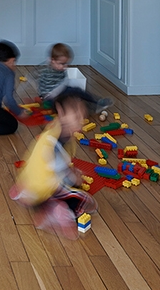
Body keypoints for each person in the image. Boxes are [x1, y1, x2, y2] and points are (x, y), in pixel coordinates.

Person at [9, 87, 98, 240]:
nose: (80, 121)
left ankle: (24, 193)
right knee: (86, 201)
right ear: (60, 112)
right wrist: (73, 177)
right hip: (42, 190)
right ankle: (54, 211)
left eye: (83, 116)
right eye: (76, 115)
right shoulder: (55, 143)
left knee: (71, 184)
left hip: (29, 183)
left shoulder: (54, 129)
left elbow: (37, 161)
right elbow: (58, 172)